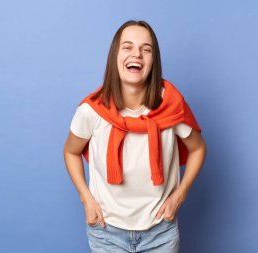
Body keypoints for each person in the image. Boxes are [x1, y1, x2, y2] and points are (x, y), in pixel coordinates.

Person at [63, 20, 207, 253]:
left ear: (153, 61)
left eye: (146, 49)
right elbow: (71, 151)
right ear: (115, 56)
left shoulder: (170, 106)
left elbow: (198, 148)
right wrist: (85, 198)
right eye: (127, 47)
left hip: (160, 232)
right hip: (106, 231)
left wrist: (180, 195)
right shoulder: (92, 110)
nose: (137, 54)